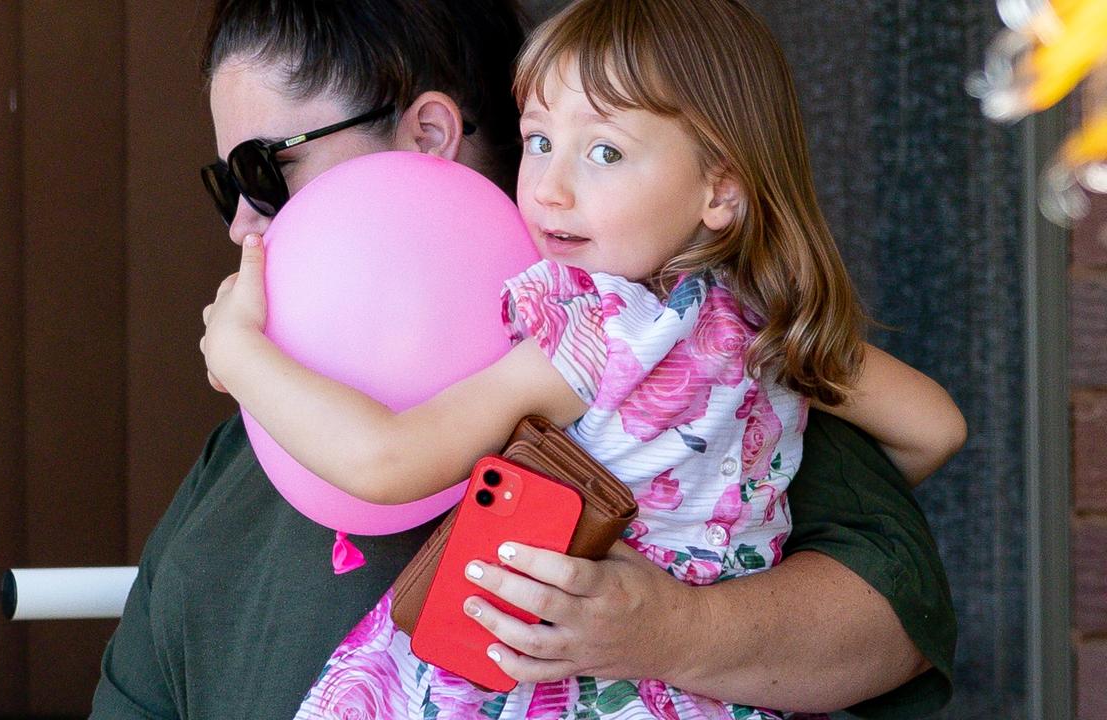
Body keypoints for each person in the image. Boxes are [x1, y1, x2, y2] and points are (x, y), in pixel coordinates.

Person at [91, 1, 959, 718]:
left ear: (432, 132)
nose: (245, 222)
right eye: (541, 140)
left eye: (266, 170)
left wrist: (237, 353)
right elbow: (934, 430)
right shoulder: (766, 335)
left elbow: (899, 607)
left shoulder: (597, 334)